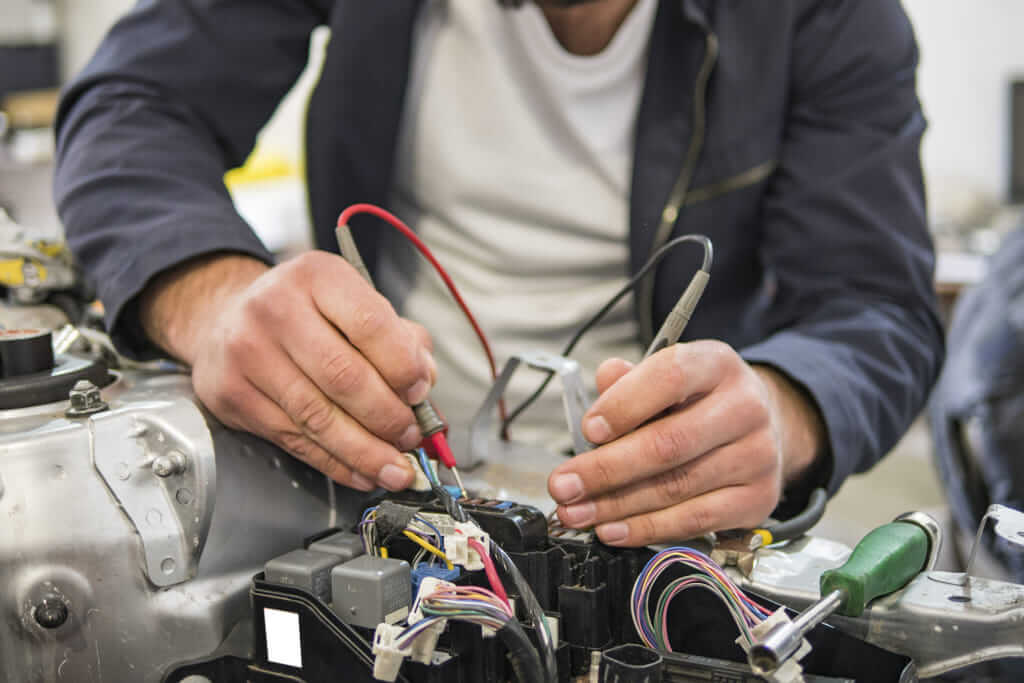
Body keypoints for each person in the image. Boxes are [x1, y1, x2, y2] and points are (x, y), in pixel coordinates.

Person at [53, 0, 943, 547]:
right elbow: (133, 106)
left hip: (662, 542)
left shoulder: (829, 17)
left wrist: (780, 413)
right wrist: (213, 299)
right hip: (377, 502)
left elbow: (878, 312)